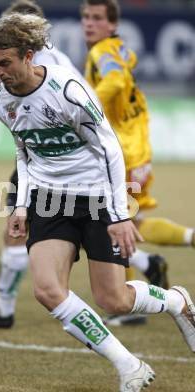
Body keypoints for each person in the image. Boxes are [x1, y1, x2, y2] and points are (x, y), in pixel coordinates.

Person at [0, 12, 195, 391]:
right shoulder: (1, 103)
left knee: (113, 300)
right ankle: (129, 365)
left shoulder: (67, 90)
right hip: (48, 201)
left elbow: (110, 147)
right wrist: (20, 205)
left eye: (5, 63)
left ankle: (177, 301)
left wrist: (117, 214)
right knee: (48, 290)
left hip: (96, 196)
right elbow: (24, 153)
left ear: (29, 56)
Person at [0, 0, 167, 330]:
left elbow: (90, 105)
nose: (0, 68)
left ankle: (5, 306)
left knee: (104, 282)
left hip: (79, 163)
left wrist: (89, 112)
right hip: (49, 161)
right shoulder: (16, 84)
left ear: (27, 47)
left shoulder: (58, 70)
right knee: (46, 242)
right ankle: (144, 262)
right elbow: (23, 143)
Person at [81, 0, 194, 325]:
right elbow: (126, 66)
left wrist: (84, 106)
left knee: (113, 223)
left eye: (97, 18)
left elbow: (115, 82)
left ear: (111, 24)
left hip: (122, 154)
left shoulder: (102, 51)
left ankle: (127, 301)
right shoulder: (118, 48)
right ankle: (171, 251)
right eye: (86, 17)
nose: (90, 23)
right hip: (139, 149)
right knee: (128, 221)